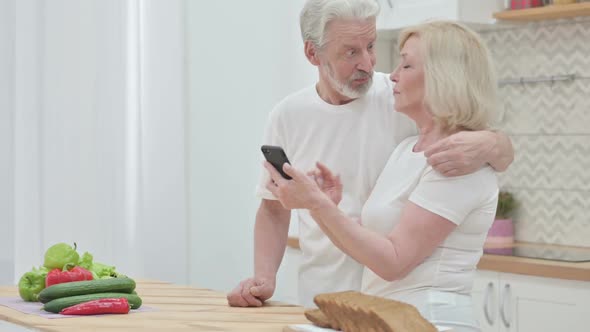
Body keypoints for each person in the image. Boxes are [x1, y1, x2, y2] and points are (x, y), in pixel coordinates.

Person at [227, 0, 513, 309]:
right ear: (313, 53)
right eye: (351, 52)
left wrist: (492, 143)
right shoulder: (288, 115)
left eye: (371, 45)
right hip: (322, 297)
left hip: (394, 300)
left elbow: (470, 142)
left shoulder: (402, 98)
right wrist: (265, 277)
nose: (368, 63)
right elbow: (273, 209)